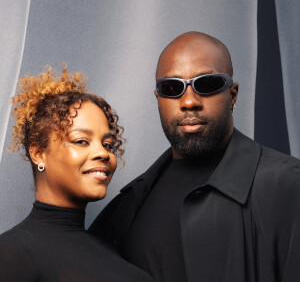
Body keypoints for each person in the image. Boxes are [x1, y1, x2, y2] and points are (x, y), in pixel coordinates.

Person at [89, 31, 300, 282]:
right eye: (171, 88)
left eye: (207, 84)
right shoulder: (128, 207)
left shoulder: (287, 185)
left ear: (232, 95)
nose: (189, 101)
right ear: (159, 99)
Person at [0, 66, 153, 282]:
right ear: (38, 153)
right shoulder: (11, 255)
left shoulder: (113, 249)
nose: (103, 153)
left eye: (108, 144)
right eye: (81, 141)